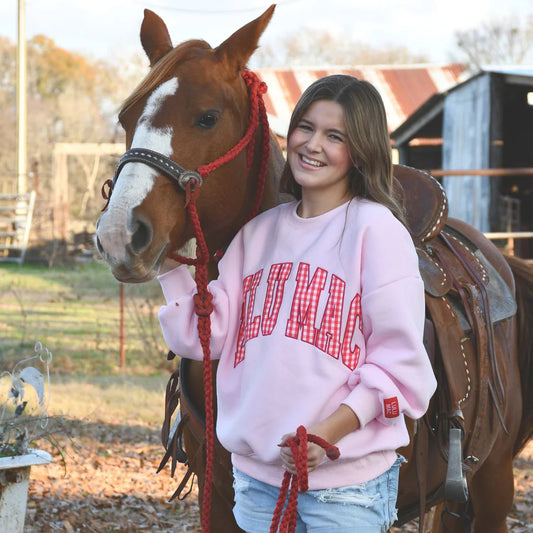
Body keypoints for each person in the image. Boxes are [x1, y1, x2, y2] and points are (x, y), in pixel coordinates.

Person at [157, 74, 437, 532]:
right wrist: (168, 268)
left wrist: (329, 433)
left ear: (360, 150)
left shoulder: (376, 231)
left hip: (344, 488)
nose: (312, 144)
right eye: (306, 127)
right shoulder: (258, 234)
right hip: (256, 481)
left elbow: (399, 366)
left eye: (335, 136)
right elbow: (208, 337)